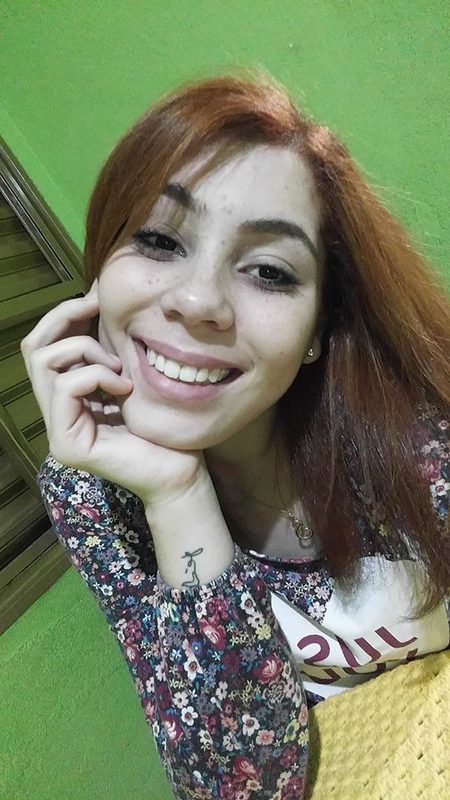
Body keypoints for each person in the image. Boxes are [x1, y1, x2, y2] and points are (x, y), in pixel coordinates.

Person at [21, 71, 449, 800]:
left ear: (317, 331)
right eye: (159, 240)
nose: (197, 301)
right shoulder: (91, 492)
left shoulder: (412, 433)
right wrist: (175, 493)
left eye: (270, 271)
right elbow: (242, 788)